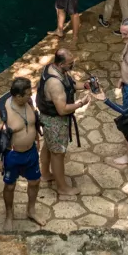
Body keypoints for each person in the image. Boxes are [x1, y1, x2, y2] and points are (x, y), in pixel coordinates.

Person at [0, 77, 47, 229]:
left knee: (35, 181)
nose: (31, 96)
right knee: (10, 186)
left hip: (31, 152)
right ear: (18, 96)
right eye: (28, 94)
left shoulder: (28, 102)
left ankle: (31, 210)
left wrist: (37, 141)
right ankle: (9, 214)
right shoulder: (2, 111)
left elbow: (33, 123)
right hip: (13, 155)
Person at [37, 48, 93, 195]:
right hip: (54, 121)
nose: (73, 64)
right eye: (70, 63)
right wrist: (81, 103)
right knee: (57, 153)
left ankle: (45, 174)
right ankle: (62, 187)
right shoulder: (54, 83)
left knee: (48, 146)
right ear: (61, 64)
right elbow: (62, 109)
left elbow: (71, 84)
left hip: (47, 118)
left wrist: (86, 85)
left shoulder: (53, 68)